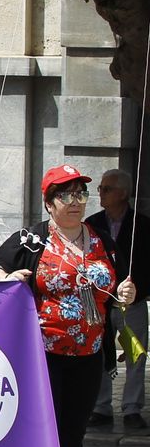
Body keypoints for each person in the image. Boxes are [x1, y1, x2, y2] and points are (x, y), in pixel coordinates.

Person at [0, 165, 135, 447]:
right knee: (36, 432)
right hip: (41, 354)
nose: (75, 202)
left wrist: (126, 292)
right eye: (66, 195)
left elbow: (114, 286)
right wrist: (5, 278)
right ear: (49, 203)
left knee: (72, 435)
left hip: (88, 354)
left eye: (80, 195)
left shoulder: (101, 240)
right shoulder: (32, 240)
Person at [88, 168, 150, 431]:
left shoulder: (142, 226)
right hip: (101, 303)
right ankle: (101, 407)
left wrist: (139, 288)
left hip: (131, 302)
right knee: (101, 354)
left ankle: (132, 408)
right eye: (101, 188)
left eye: (106, 188)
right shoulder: (92, 224)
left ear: (123, 194)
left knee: (136, 354)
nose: (100, 193)